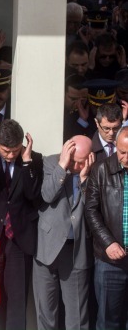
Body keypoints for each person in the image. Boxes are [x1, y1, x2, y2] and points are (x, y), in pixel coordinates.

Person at [0, 119, 43, 330]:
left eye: (15, 150)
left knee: (17, 298)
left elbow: (33, 195)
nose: (11, 155)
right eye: (6, 150)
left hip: (19, 237)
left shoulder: (33, 160)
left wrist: (28, 160)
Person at [34, 136, 94, 330]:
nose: (76, 166)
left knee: (77, 316)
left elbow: (92, 210)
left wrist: (84, 181)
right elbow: (47, 195)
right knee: (46, 312)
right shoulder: (50, 162)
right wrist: (63, 165)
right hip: (47, 248)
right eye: (74, 160)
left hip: (76, 250)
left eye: (81, 161)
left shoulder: (95, 170)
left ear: (90, 157)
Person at [85, 125, 128, 330]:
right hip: (110, 262)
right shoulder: (101, 170)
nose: (126, 157)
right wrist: (108, 242)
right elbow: (91, 211)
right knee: (108, 322)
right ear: (115, 147)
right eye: (122, 152)